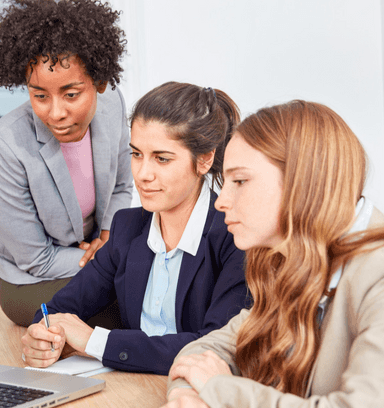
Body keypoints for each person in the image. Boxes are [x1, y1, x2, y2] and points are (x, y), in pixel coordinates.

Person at [164, 100, 384, 407]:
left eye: (239, 181)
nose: (221, 201)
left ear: (303, 181)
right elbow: (204, 351)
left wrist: (218, 389)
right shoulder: (294, 265)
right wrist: (186, 395)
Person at [20, 82, 251, 375]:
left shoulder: (237, 237)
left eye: (162, 158)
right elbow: (56, 311)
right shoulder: (127, 228)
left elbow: (213, 349)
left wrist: (94, 341)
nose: (142, 174)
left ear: (204, 159)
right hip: (129, 387)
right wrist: (41, 338)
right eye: (137, 154)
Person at [0, 0, 133, 327]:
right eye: (40, 96)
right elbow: (37, 259)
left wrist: (108, 234)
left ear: (100, 83)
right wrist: (108, 258)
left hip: (95, 258)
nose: (56, 112)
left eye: (71, 94)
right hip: (32, 281)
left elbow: (122, 185)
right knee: (135, 307)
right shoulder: (2, 147)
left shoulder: (113, 105)